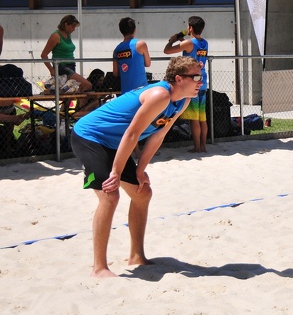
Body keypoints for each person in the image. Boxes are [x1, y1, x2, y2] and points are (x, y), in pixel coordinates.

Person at [71, 56, 203, 278]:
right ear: (179, 79)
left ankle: (136, 256)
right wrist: (116, 172)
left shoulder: (184, 100)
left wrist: (140, 169)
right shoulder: (160, 95)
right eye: (196, 76)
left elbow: (158, 135)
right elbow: (132, 133)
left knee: (143, 193)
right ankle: (99, 268)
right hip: (90, 137)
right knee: (110, 195)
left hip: (115, 143)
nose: (201, 81)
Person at [164, 16, 208, 153]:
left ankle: (197, 147)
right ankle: (204, 146)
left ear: (190, 28)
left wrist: (172, 40)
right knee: (202, 117)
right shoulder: (205, 42)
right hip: (203, 81)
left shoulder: (189, 43)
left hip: (191, 83)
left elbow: (167, 50)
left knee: (193, 118)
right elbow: (192, 47)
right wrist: (183, 41)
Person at [40, 15, 92, 92]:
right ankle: (57, 91)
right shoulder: (56, 36)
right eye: (72, 27)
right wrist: (51, 70)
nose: (73, 29)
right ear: (65, 24)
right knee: (87, 85)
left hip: (71, 65)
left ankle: (61, 94)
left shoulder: (68, 35)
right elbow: (44, 55)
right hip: (62, 67)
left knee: (73, 90)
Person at [113, 17, 151, 94]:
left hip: (126, 92)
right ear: (134, 30)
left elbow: (115, 73)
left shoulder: (116, 50)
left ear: (121, 31)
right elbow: (148, 63)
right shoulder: (141, 44)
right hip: (142, 90)